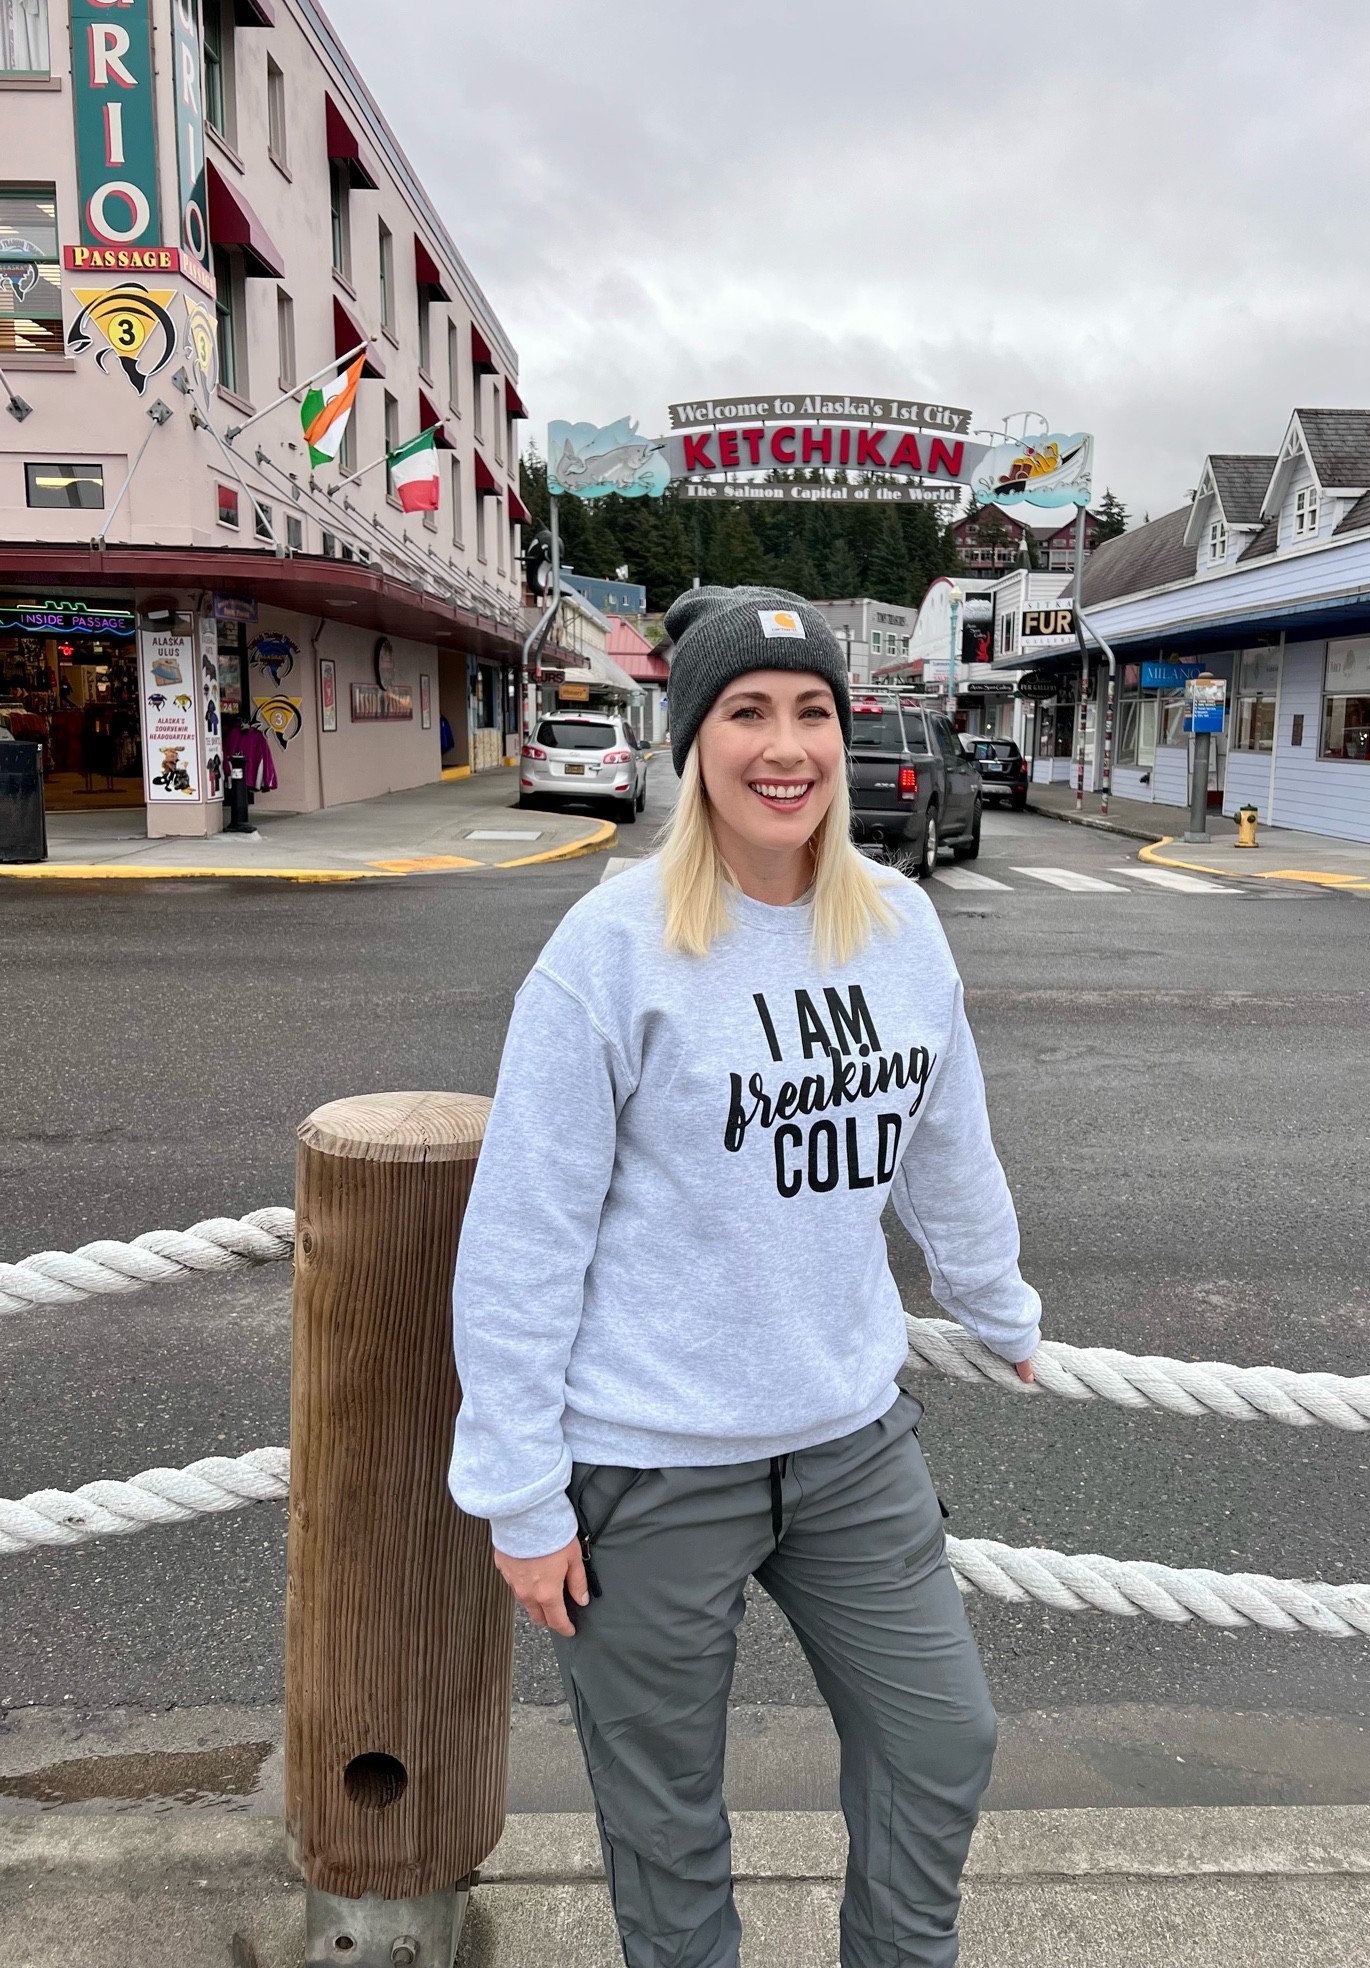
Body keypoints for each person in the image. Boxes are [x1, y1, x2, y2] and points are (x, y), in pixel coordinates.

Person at [450, 585, 1040, 1968]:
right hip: (647, 1463)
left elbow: (945, 1145)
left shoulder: (900, 928)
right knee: (667, 1825)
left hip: (849, 1441)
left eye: (813, 712)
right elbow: (524, 1236)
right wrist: (520, 1493)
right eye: (746, 713)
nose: (787, 747)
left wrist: (995, 1301)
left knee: (943, 1740)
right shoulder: (611, 949)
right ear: (693, 742)